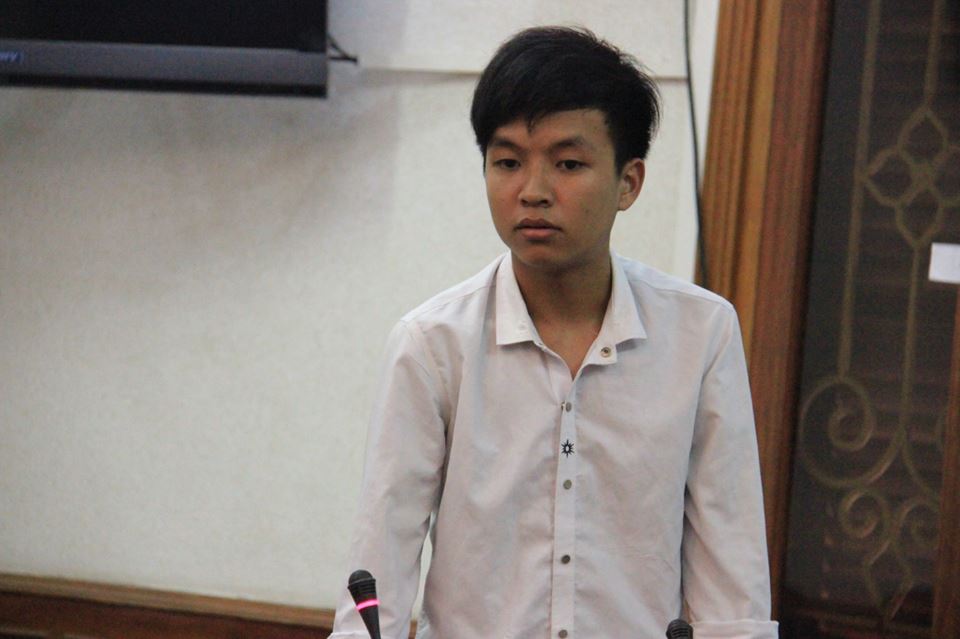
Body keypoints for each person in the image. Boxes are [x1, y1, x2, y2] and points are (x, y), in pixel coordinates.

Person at [331, 26, 778, 639]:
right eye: (508, 162)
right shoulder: (433, 344)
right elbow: (379, 562)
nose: (533, 192)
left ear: (629, 182)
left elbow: (731, 570)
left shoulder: (701, 334)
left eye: (568, 164)